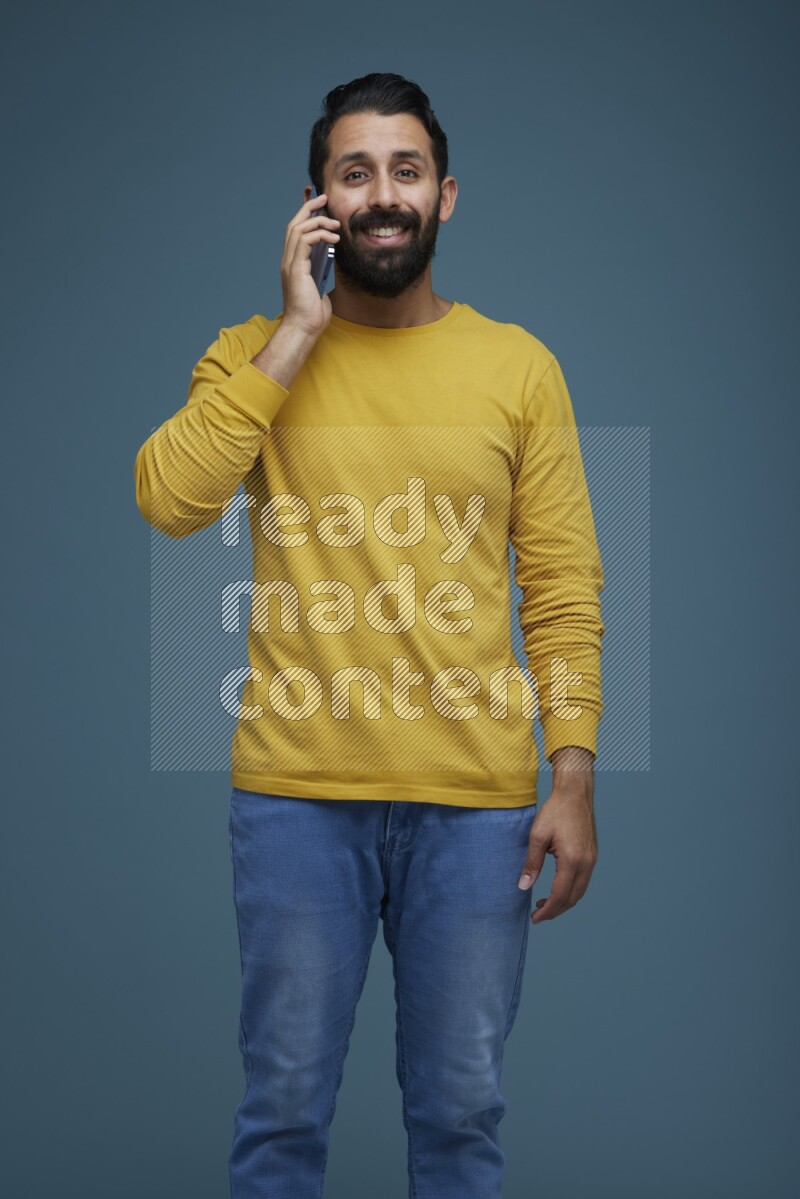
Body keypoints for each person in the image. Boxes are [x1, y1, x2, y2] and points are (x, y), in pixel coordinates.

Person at [134, 71, 605, 1199]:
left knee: (458, 1117)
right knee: (283, 1112)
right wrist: (297, 329)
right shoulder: (252, 352)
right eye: (355, 173)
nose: (381, 193)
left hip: (478, 806)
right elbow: (169, 498)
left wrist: (572, 769)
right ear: (317, 204)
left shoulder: (518, 368)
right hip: (296, 794)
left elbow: (561, 580)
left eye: (404, 170)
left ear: (446, 196)